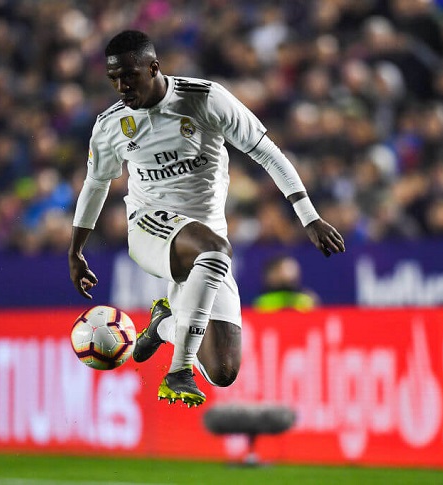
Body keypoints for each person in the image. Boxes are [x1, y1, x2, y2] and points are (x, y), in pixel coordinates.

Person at [68, 30, 346, 407]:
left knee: (223, 371)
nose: (121, 86)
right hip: (149, 226)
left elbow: (268, 153)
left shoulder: (205, 99)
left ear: (153, 68)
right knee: (216, 250)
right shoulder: (110, 125)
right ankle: (179, 370)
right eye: (113, 78)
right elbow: (96, 184)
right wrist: (76, 250)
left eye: (129, 76)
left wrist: (309, 216)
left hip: (205, 238)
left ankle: (164, 326)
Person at [253, 255, 320, 312]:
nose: (292, 273)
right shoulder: (263, 302)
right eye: (287, 269)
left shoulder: (306, 300)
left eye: (292, 269)